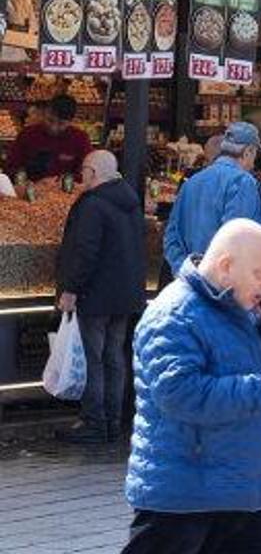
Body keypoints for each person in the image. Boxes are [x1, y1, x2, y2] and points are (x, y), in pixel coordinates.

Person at [123, 219, 261, 553]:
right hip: (182, 498)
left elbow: (260, 362)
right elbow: (180, 394)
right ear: (226, 266)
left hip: (237, 490)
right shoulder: (173, 314)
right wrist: (260, 391)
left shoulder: (234, 303)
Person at [52, 150, 145, 444]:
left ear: (92, 171)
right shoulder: (130, 200)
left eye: (83, 171)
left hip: (97, 293)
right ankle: (113, 422)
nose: (81, 176)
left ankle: (94, 422)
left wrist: (70, 289)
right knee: (114, 357)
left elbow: (85, 252)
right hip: (124, 294)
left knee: (94, 358)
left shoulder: (93, 205)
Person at [163, 122, 261, 274]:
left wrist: (186, 272)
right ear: (248, 152)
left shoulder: (192, 182)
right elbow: (238, 239)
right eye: (255, 155)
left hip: (191, 280)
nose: (253, 163)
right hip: (225, 286)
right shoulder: (243, 182)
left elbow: (171, 236)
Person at [6, 93, 91, 181]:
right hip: (28, 188)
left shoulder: (81, 139)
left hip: (65, 191)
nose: (53, 127)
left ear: (72, 121)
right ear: (45, 113)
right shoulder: (27, 134)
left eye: (61, 124)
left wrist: (62, 181)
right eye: (50, 120)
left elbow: (85, 173)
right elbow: (11, 167)